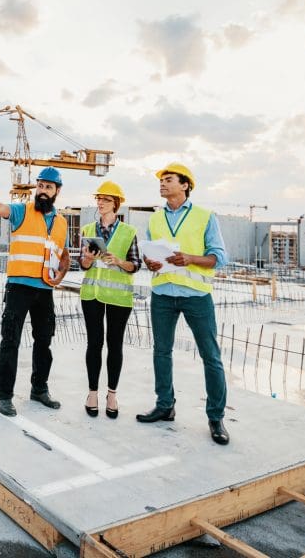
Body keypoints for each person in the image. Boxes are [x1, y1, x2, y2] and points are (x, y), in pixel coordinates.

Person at [136, 162, 231, 445]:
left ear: (185, 184)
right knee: (161, 351)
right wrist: (149, 262)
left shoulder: (205, 216)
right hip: (163, 292)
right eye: (161, 180)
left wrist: (190, 258)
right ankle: (165, 406)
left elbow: (219, 257)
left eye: (168, 180)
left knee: (210, 357)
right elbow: (150, 254)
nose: (162, 184)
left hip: (196, 296)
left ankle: (216, 417)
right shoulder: (154, 219)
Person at [0, 167, 70, 417]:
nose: (43, 191)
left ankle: (39, 389)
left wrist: (61, 274)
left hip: (45, 289)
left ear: (57, 191)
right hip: (19, 287)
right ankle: (4, 396)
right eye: (40, 186)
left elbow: (62, 254)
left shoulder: (62, 223)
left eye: (48, 187)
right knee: (10, 340)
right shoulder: (22, 211)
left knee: (44, 341)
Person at [78, 181, 140, 419]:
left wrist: (119, 262)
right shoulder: (87, 229)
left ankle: (111, 394)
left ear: (116, 203)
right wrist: (88, 260)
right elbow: (82, 265)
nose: (100, 202)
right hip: (92, 294)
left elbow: (135, 265)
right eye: (99, 199)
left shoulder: (128, 232)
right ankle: (92, 393)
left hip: (119, 297)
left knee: (115, 345)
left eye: (105, 199)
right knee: (94, 344)